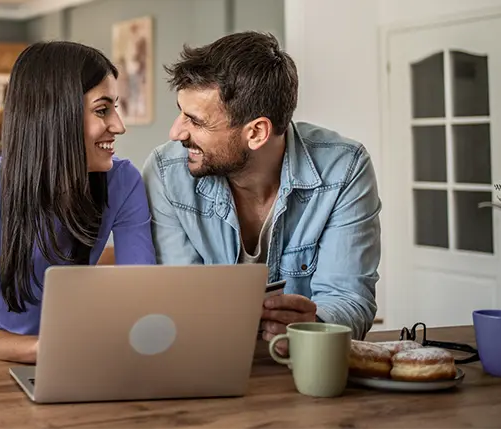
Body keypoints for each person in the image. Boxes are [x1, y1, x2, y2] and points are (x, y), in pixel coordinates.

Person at [142, 32, 381, 354]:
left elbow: (351, 299)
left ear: (256, 132)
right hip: (205, 362)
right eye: (181, 112)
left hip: (300, 368)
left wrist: (315, 324)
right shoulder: (166, 172)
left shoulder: (344, 168)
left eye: (195, 121)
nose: (175, 132)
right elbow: (178, 301)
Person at [0, 41, 157, 363]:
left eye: (117, 107)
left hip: (59, 344)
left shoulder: (122, 183)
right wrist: (52, 347)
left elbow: (141, 297)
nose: (119, 126)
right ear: (55, 114)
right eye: (102, 110)